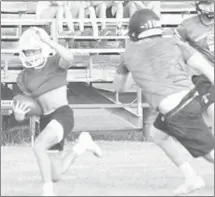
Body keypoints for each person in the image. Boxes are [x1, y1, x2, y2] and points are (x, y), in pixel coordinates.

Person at [113, 9, 214, 196]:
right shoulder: (174, 42)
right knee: (158, 133)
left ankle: (192, 178)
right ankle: (191, 177)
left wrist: (134, 70)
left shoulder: (127, 53)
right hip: (190, 97)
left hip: (176, 109)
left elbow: (119, 89)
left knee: (210, 154)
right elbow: (207, 68)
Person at [12, 27, 102, 196]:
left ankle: (47, 192)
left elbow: (69, 57)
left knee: (38, 146)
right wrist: (19, 116)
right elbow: (33, 107)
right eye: (28, 52)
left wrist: (48, 41)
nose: (31, 55)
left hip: (62, 114)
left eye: (35, 50)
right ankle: (82, 145)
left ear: (44, 48)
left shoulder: (54, 63)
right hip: (45, 119)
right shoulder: (23, 77)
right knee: (56, 174)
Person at [175, 0, 214, 132]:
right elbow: (174, 49)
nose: (211, 8)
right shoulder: (186, 26)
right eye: (207, 4)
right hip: (203, 77)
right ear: (198, 5)